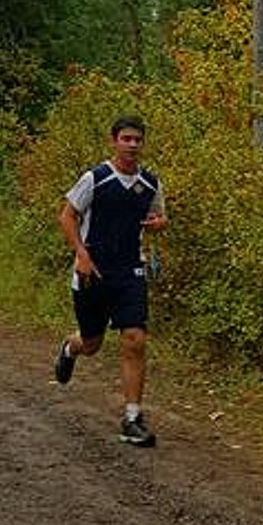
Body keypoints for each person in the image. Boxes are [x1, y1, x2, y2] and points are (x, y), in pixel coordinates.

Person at [54, 115, 167, 447]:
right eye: (126, 139)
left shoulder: (150, 183)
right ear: (114, 141)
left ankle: (132, 417)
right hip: (93, 273)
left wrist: (158, 224)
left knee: (135, 339)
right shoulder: (96, 178)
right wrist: (82, 255)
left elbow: (159, 216)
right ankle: (70, 347)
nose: (132, 145)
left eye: (137, 140)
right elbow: (67, 215)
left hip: (131, 271)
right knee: (92, 344)